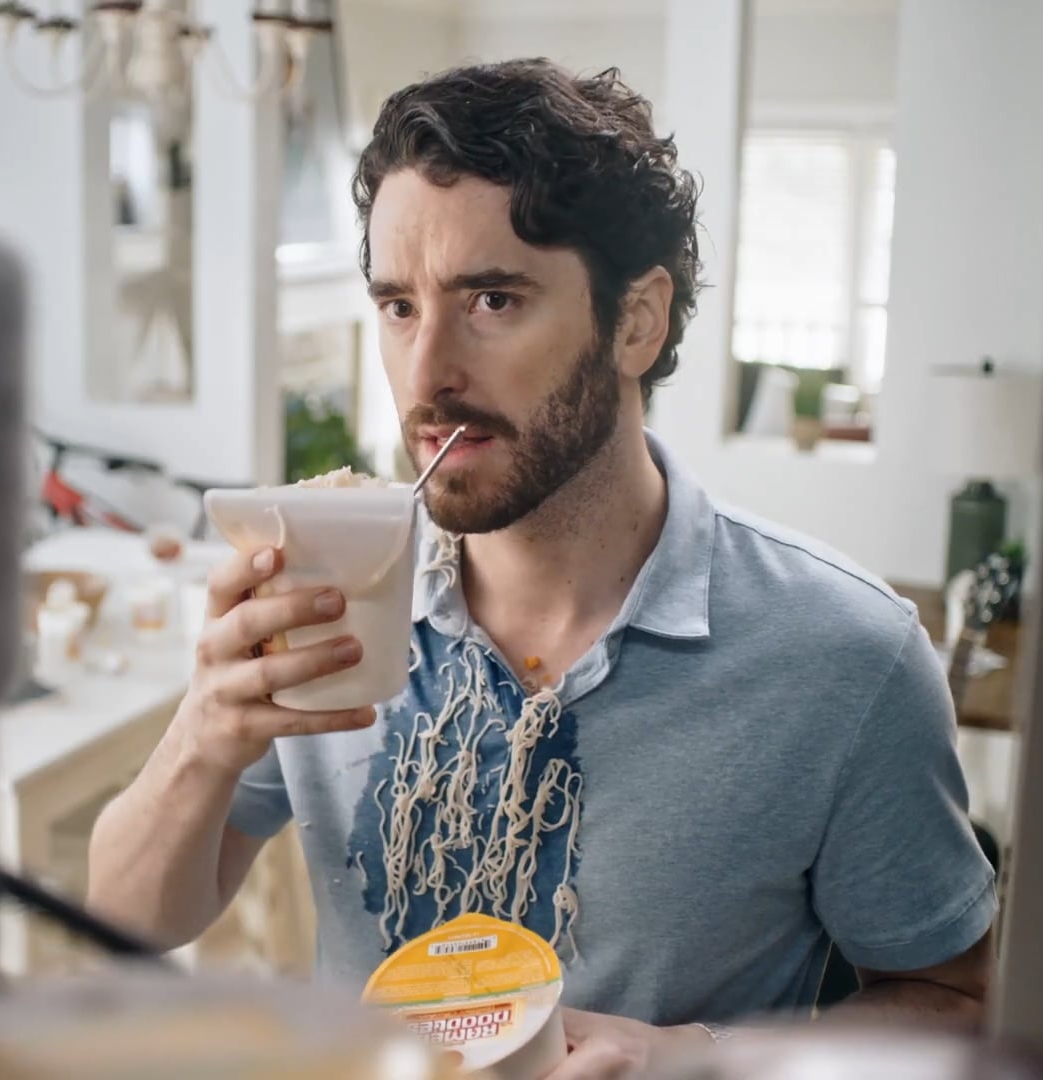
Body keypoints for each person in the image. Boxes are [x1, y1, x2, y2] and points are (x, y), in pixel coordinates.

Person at [88, 60, 994, 1078]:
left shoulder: (848, 659)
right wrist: (202, 736)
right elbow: (127, 918)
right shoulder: (329, 595)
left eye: (492, 299)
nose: (426, 374)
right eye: (398, 306)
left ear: (637, 321)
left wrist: (695, 1060)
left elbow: (959, 1004)